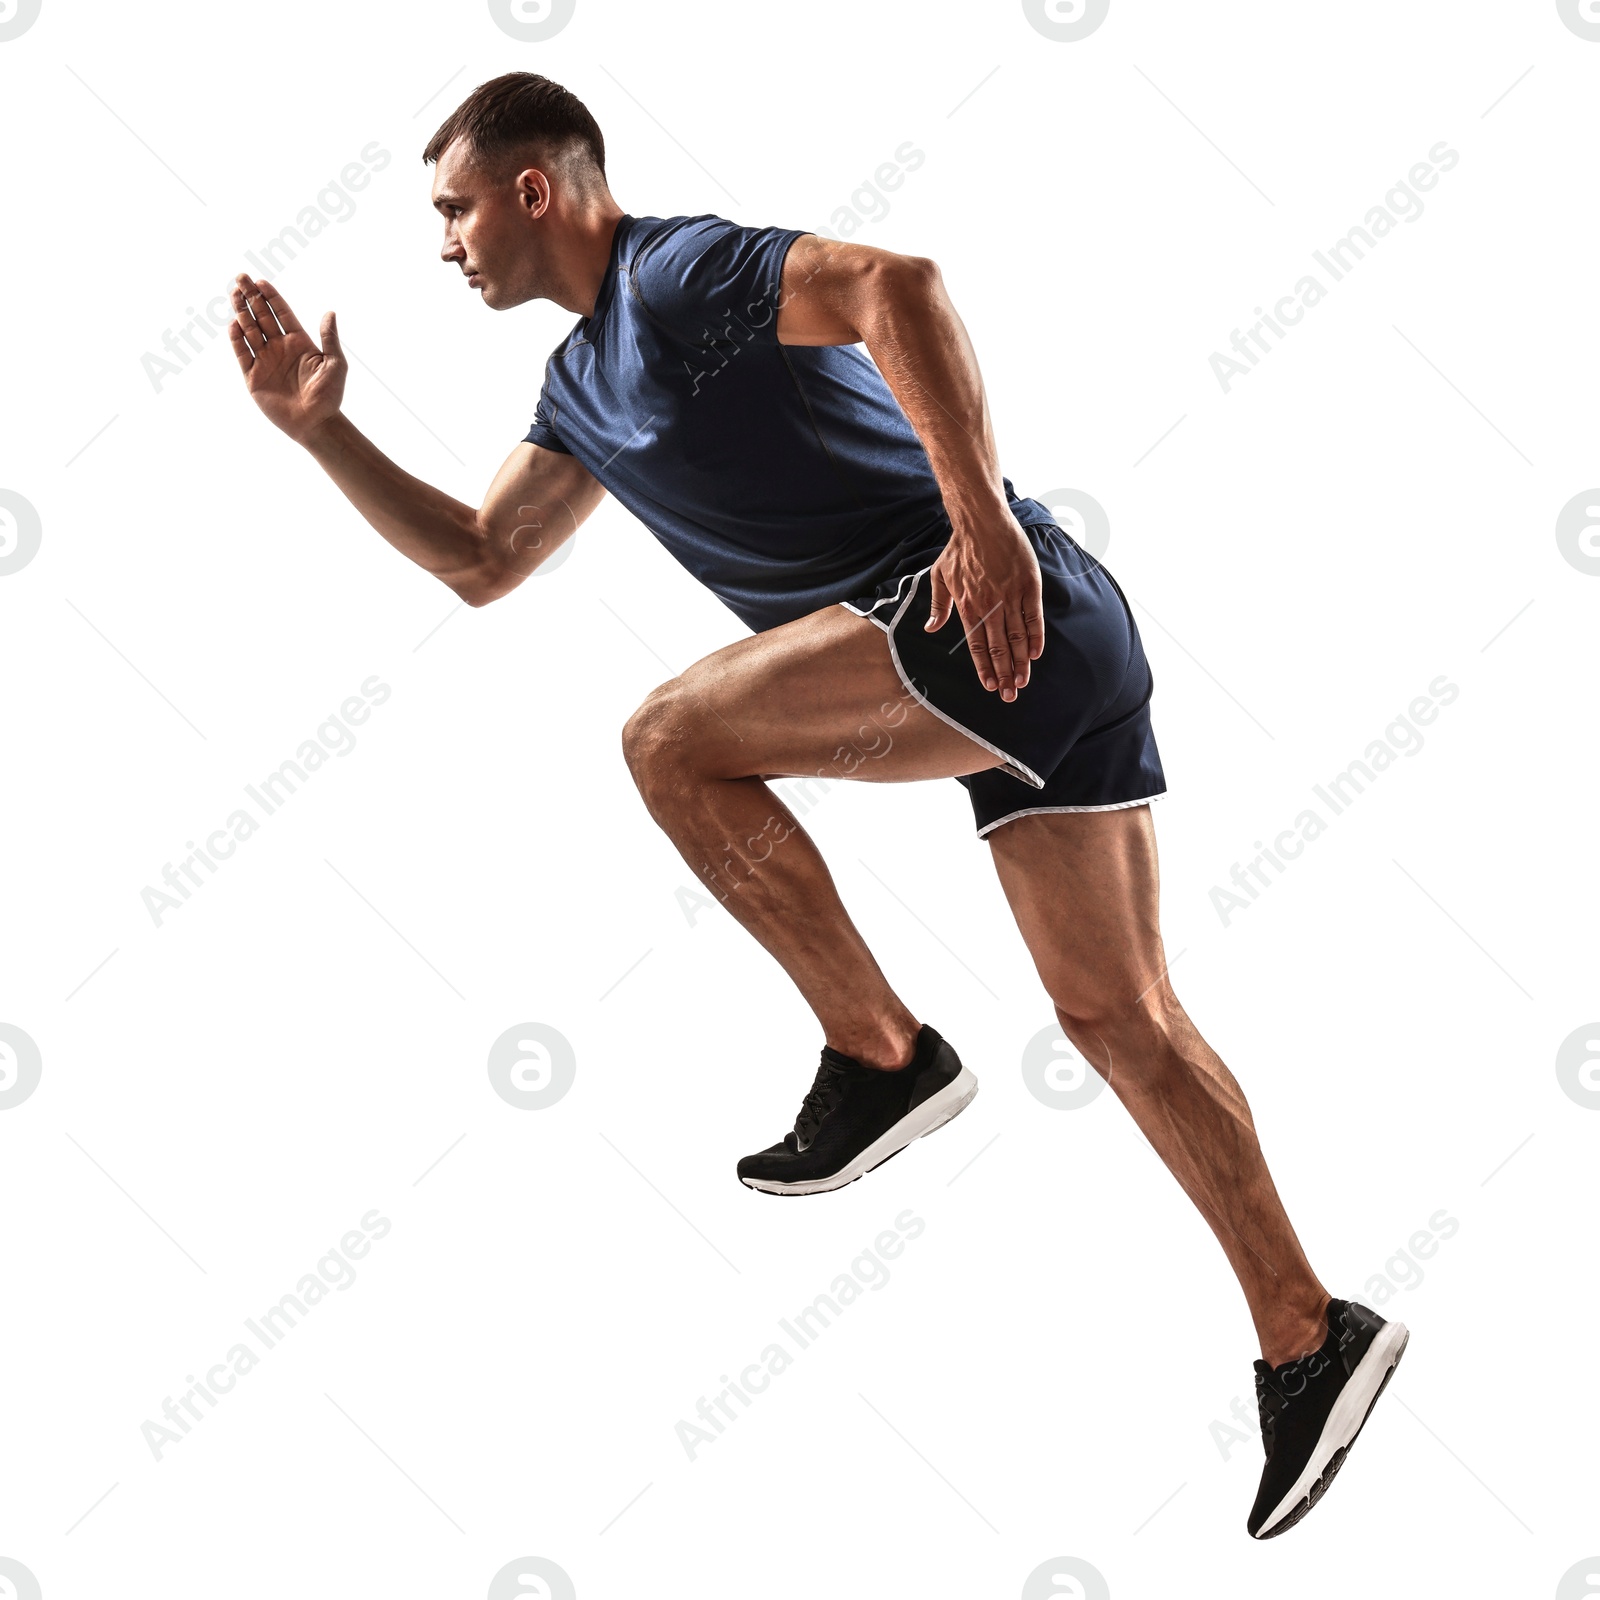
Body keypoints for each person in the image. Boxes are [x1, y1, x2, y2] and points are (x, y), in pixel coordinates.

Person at [227, 70, 1408, 1540]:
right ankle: (1310, 1335)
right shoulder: (581, 389)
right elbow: (480, 556)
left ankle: (884, 1056)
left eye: (455, 207)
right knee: (1121, 1019)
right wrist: (320, 433)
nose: (445, 241)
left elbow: (894, 285)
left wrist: (980, 526)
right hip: (1029, 663)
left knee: (668, 737)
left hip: (978, 607)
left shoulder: (678, 271)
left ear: (537, 189)